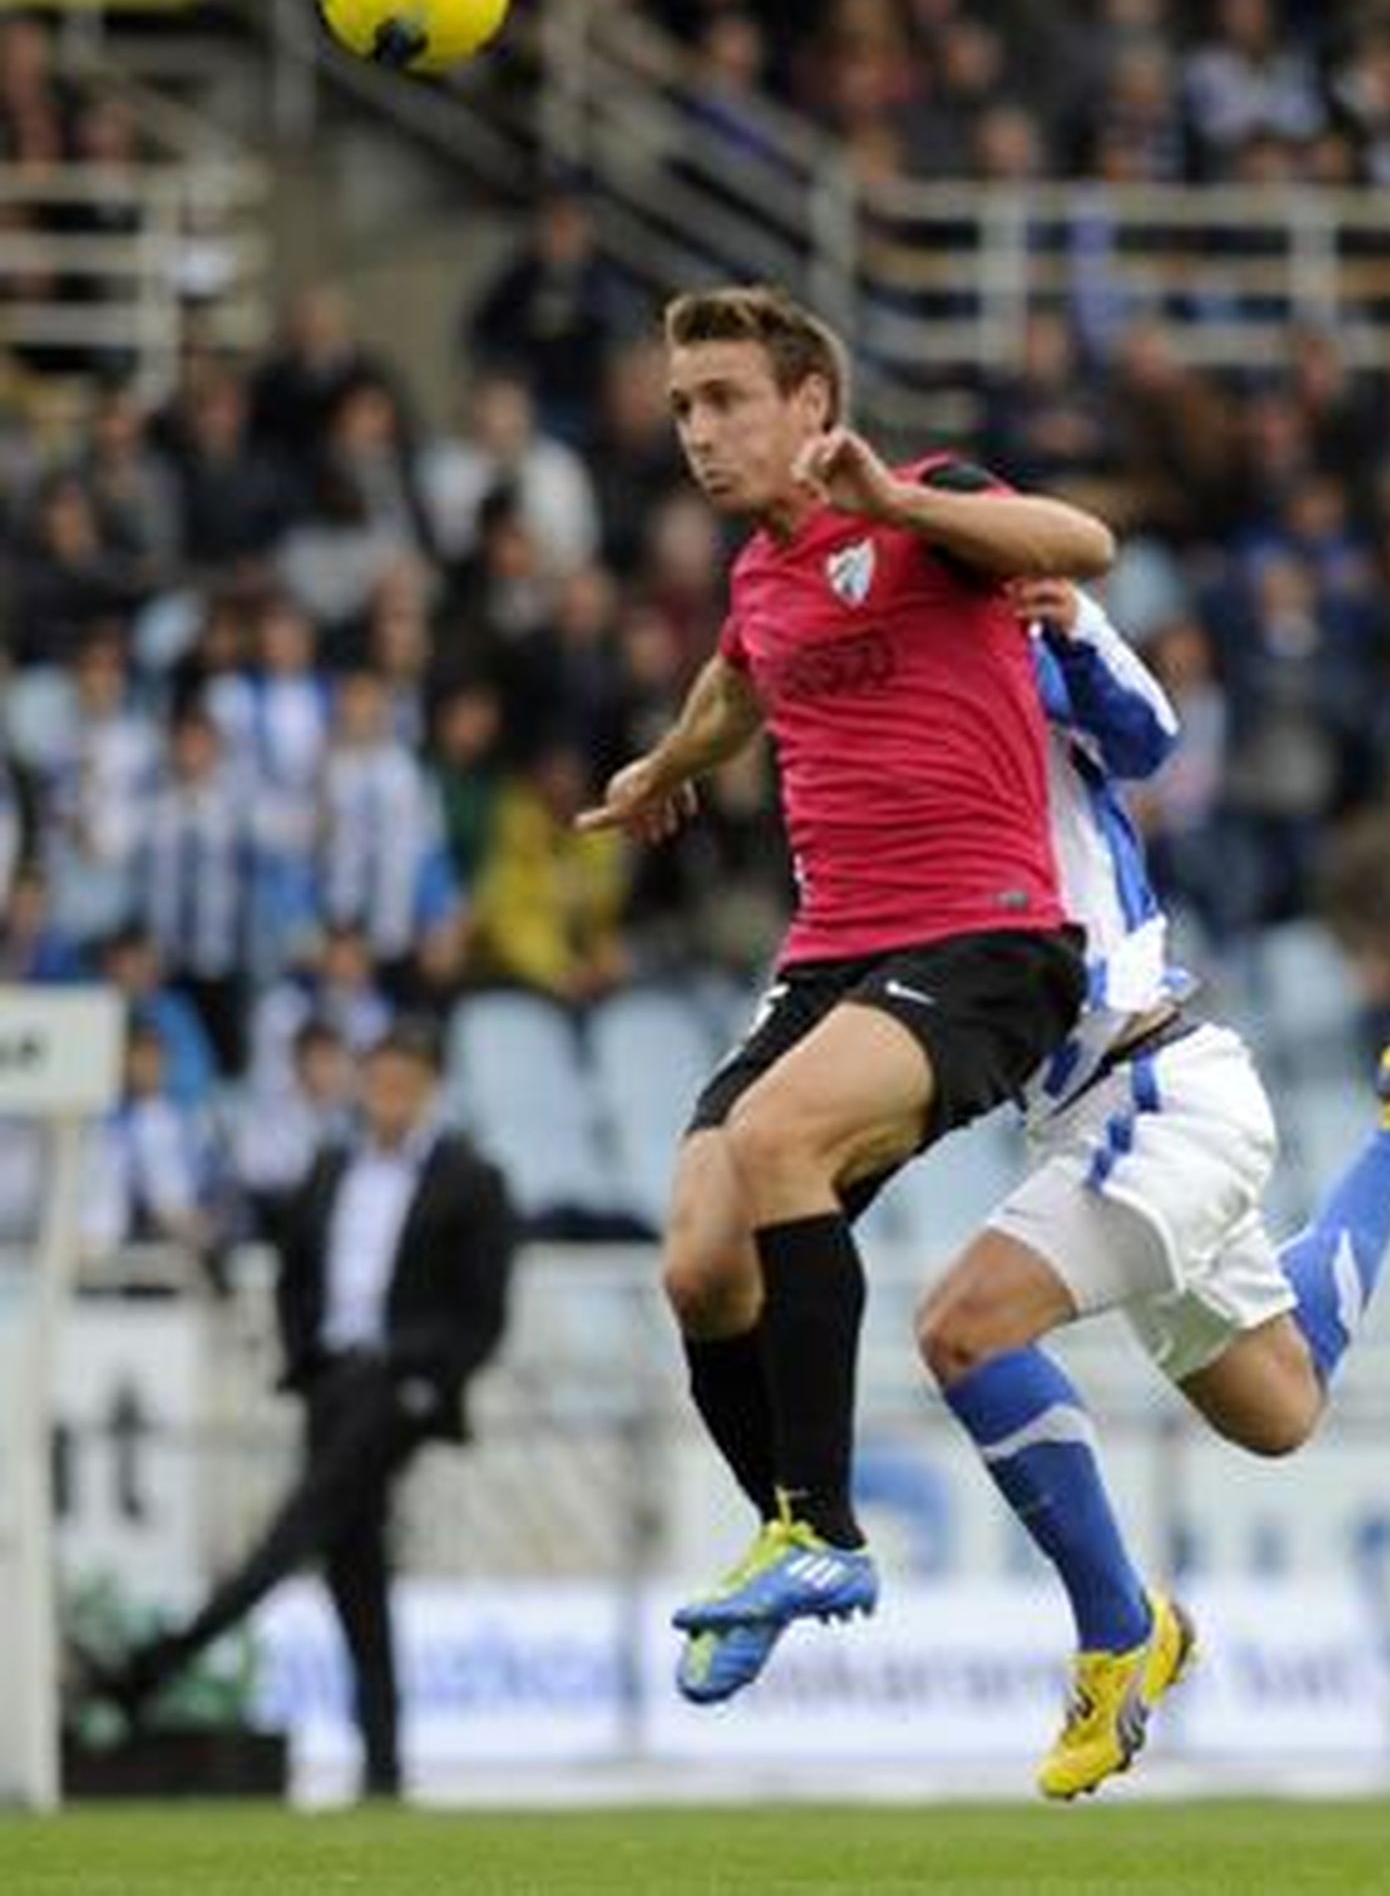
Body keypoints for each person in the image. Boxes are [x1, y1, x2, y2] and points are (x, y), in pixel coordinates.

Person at [576, 284, 1115, 1697]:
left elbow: (1085, 542)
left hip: (989, 944)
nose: (698, 431)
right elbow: (739, 685)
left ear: (811, 403)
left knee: (774, 1144)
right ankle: (786, 1532)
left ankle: (822, 1528)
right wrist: (664, 767)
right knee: (699, 1256)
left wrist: (908, 504)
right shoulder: (758, 577)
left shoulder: (928, 503)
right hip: (834, 958)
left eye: (727, 399)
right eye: (684, 405)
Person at [912, 580, 1390, 1800]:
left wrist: (1072, 613)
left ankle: (1117, 1630)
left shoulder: (1026, 681)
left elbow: (1150, 736)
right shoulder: (901, 780)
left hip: (1151, 1097)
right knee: (1279, 1407)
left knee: (964, 1330)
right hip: (1107, 1122)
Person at [88, 1019, 515, 1799]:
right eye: (377, 1082)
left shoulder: (471, 1180)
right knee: (354, 1567)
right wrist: (305, 1366)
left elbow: (482, 1312)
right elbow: (294, 1276)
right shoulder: (330, 1168)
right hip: (333, 1382)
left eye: (401, 1085)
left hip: (398, 1388)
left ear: (427, 1091)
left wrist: (428, 1384)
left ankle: (155, 1665)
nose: (386, 1099)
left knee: (294, 1533)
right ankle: (383, 1765)